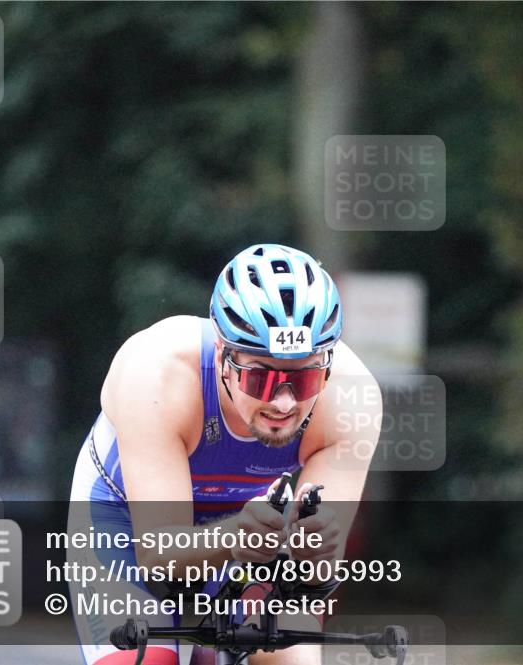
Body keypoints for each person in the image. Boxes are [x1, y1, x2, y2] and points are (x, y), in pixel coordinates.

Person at [68, 244, 381, 665]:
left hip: (252, 526)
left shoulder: (350, 397)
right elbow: (159, 554)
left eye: (304, 381)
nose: (285, 403)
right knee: (146, 660)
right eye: (261, 380)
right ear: (222, 357)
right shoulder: (157, 372)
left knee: (289, 649)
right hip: (125, 517)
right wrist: (239, 536)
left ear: (326, 366)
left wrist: (314, 550)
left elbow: (314, 582)